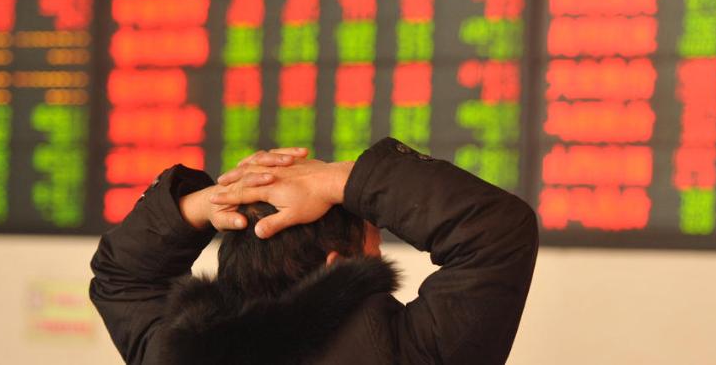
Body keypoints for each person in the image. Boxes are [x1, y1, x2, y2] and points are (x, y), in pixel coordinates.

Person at [90, 138, 539, 364]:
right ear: (336, 270)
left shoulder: (177, 352)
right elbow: (496, 229)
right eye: (374, 249)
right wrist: (336, 181)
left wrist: (207, 201)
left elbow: (121, 277)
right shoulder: (409, 352)